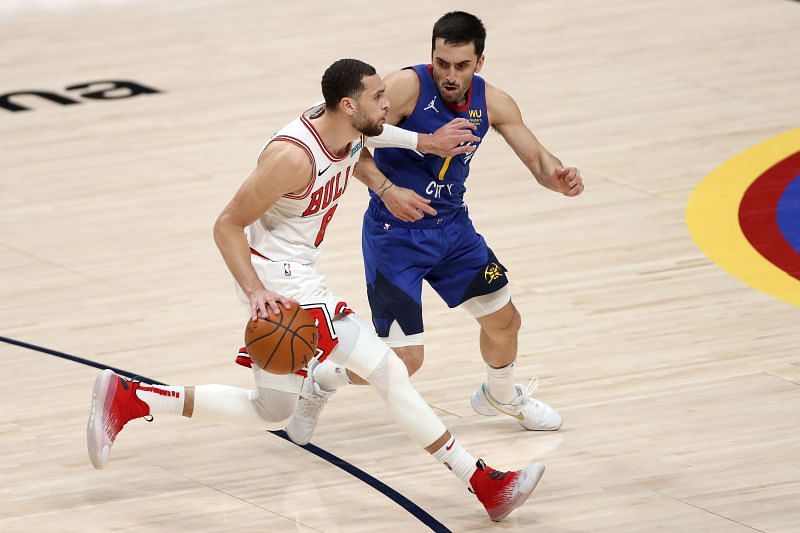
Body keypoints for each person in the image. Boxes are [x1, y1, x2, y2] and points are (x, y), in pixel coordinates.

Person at [86, 58, 545, 522]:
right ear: (348, 106)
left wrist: (413, 155)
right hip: (283, 281)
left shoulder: (346, 128)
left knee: (270, 409)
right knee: (389, 370)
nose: (389, 105)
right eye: (378, 98)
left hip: (296, 271)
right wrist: (254, 292)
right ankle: (482, 480)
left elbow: (371, 142)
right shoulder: (292, 158)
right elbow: (226, 225)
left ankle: (134, 397)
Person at [283, 12, 584, 446]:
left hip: (454, 230)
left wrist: (558, 178)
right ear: (432, 56)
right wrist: (387, 189)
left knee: (505, 321)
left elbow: (539, 161)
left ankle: (500, 395)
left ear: (479, 62)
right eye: (442, 62)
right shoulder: (405, 87)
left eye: (461, 65)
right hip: (396, 235)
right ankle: (322, 379)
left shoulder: (494, 101)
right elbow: (346, 142)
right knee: (405, 359)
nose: (449, 74)